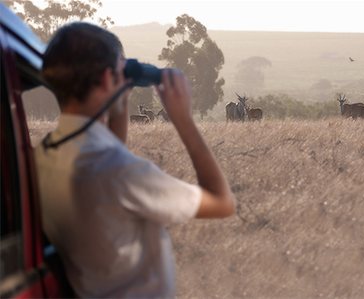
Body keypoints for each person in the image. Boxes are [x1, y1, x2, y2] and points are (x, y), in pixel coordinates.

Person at [35, 22, 235, 298]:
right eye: (121, 70)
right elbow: (221, 202)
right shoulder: (121, 172)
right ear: (107, 79)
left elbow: (106, 162)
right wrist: (184, 121)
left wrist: (120, 102)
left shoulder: (42, 157)